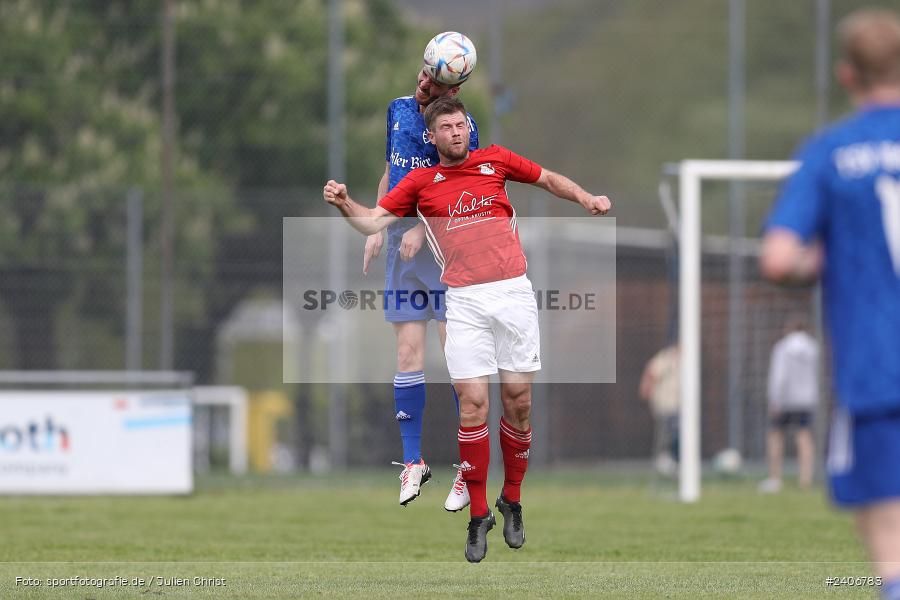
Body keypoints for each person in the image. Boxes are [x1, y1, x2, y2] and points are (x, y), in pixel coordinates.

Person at [324, 96, 610, 562]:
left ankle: (512, 499)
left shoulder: (494, 160)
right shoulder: (420, 182)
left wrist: (586, 198)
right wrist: (343, 202)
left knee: (518, 402)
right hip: (464, 303)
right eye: (447, 127)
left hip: (514, 293)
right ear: (432, 138)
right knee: (473, 404)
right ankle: (479, 515)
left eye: (461, 124)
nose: (456, 131)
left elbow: (547, 178)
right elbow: (372, 220)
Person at [760, 9, 900, 597]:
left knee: (890, 547)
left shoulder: (831, 152)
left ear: (847, 75)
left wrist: (823, 258)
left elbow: (778, 259)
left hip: (877, 369)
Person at [365, 41, 480, 509]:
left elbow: (461, 188)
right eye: (422, 74)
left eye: (434, 82)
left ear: (451, 89)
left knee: (459, 362)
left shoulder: (459, 130)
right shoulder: (397, 109)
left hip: (447, 256)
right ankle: (413, 463)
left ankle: (467, 468)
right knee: (407, 354)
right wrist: (377, 222)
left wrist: (423, 228)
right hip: (403, 256)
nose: (423, 84)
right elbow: (392, 172)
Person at [759, 316, 819, 493]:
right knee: (804, 436)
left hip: (785, 399)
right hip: (806, 399)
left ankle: (775, 478)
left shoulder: (782, 347)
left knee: (775, 435)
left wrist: (775, 399)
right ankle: (805, 478)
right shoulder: (812, 348)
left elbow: (779, 375)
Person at [638, 343, 680, 477]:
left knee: (676, 433)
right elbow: (651, 373)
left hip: (680, 406)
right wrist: (646, 389)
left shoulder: (689, 359)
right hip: (667, 405)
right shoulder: (666, 358)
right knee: (672, 433)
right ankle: (667, 461)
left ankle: (672, 463)